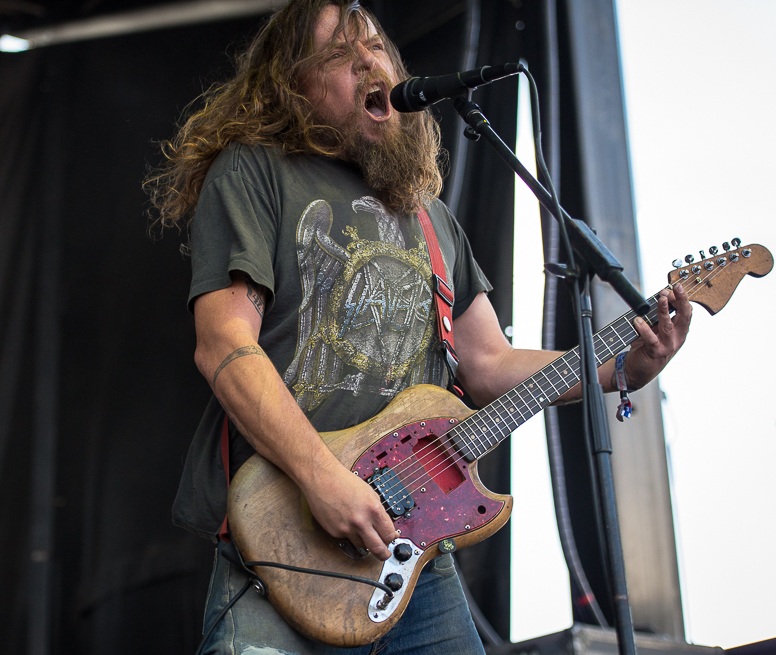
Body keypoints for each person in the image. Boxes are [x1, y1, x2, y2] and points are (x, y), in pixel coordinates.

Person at [145, 1, 690, 653]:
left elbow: (488, 364)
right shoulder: (256, 172)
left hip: (415, 562)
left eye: (374, 45)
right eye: (339, 54)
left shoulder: (429, 216)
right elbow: (225, 343)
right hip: (285, 540)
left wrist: (619, 368)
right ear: (293, 86)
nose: (368, 60)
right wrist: (324, 478)